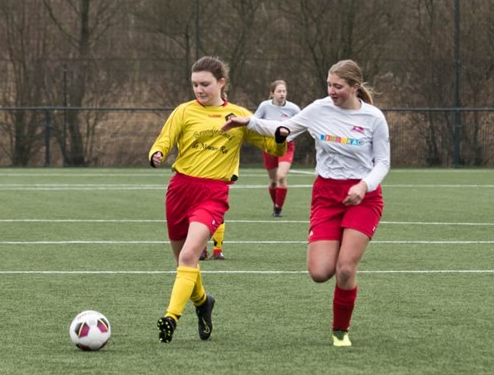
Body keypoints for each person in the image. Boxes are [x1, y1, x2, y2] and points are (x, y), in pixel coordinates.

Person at [223, 60, 390, 347]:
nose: (332, 91)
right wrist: (248, 122)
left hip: (363, 197)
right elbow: (283, 129)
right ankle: (338, 257)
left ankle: (340, 331)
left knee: (345, 269)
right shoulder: (318, 109)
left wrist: (364, 185)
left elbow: (383, 162)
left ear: (354, 87)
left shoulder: (374, 118)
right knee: (319, 272)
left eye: (338, 86)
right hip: (326, 196)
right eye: (329, 85)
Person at [148, 56, 288, 343]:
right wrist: (157, 153)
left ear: (221, 83)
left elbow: (271, 146)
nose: (199, 90)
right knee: (183, 263)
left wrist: (280, 137)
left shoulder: (239, 115)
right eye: (195, 85)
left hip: (212, 194)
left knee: (189, 256)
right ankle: (203, 303)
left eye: (205, 84)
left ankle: (171, 317)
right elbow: (165, 138)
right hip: (179, 191)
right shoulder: (184, 111)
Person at [254, 80, 301, 217]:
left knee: (281, 176)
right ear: (272, 93)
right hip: (269, 146)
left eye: (284, 91)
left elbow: (303, 124)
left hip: (286, 145)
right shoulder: (264, 106)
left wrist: (289, 135)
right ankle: (276, 205)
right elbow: (254, 122)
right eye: (279, 91)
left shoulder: (293, 109)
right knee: (273, 181)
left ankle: (278, 209)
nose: (282, 94)